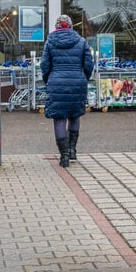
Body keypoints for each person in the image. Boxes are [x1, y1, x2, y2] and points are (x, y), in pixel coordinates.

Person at [40, 14, 94, 167]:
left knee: (59, 118)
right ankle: (72, 150)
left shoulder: (50, 42)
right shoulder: (81, 42)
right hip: (77, 82)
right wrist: (83, 79)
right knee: (74, 115)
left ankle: (64, 156)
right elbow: (89, 65)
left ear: (56, 27)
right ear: (70, 26)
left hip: (56, 82)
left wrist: (49, 80)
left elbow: (45, 66)